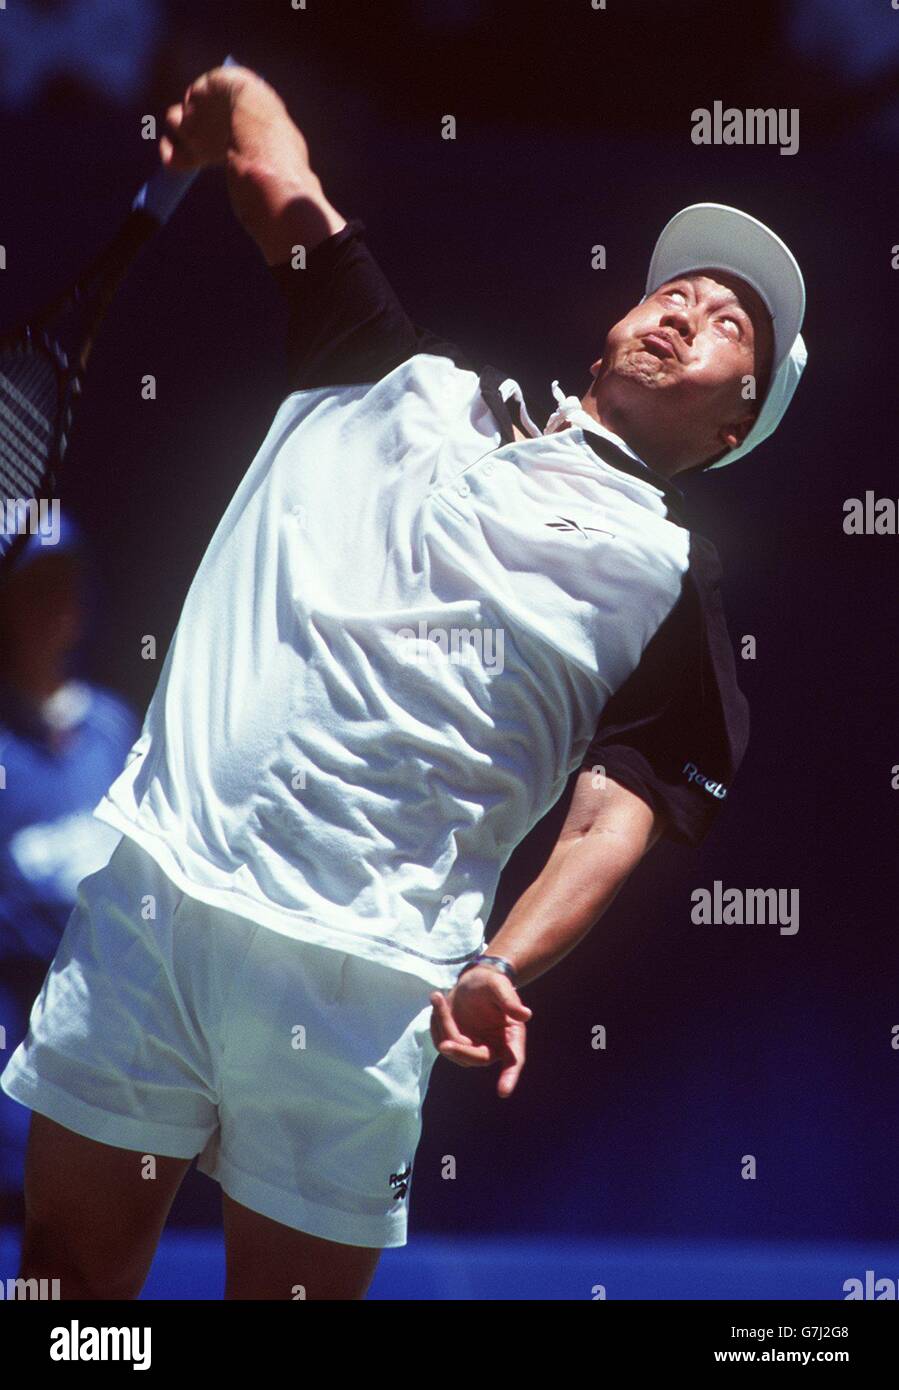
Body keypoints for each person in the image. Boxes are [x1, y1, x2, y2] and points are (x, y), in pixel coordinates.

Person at [0, 64, 807, 1300]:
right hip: (155, 900)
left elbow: (614, 817)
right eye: (674, 290)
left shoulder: (669, 589)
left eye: (727, 326)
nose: (684, 311)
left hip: (364, 985)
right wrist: (227, 100)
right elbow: (279, 181)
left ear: (732, 426)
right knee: (66, 1300)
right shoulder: (391, 376)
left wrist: (498, 962)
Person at [0, 517, 139, 1209]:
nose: (55, 606)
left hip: (97, 1047)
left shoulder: (113, 725)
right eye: (33, 588)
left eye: (65, 586)